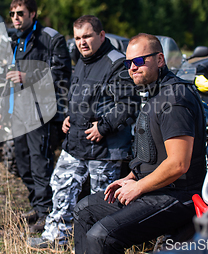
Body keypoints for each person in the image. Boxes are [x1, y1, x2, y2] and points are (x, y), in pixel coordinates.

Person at [73, 33, 206, 254]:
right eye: (128, 63)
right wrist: (131, 177)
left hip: (178, 195)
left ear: (160, 60)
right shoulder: (155, 93)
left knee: (103, 236)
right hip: (154, 187)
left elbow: (178, 164)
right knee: (84, 210)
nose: (132, 68)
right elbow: (153, 153)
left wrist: (139, 187)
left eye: (139, 61)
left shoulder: (174, 99)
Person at [27, 15, 138, 248]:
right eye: (77, 38)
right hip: (77, 141)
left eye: (87, 36)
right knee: (60, 186)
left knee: (101, 200)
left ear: (101, 35)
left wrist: (104, 127)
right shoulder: (82, 60)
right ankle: (57, 237)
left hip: (105, 147)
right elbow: (82, 97)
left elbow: (128, 104)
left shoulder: (116, 63)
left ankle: (99, 244)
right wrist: (70, 117)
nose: (82, 42)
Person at [0, 0, 72, 230]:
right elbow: (10, 80)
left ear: (32, 14)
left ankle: (48, 212)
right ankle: (38, 206)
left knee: (40, 163)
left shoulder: (49, 38)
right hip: (18, 113)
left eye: (20, 13)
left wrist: (29, 77)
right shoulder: (16, 40)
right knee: (22, 163)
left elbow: (62, 73)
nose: (15, 18)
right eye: (12, 14)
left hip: (40, 112)